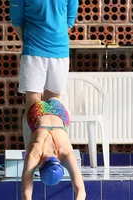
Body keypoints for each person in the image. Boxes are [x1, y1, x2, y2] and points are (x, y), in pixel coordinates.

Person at [9, 0, 79, 149]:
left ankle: (51, 151)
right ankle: (32, 151)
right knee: (33, 105)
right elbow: (16, 22)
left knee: (54, 105)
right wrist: (31, 42)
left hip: (60, 54)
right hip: (33, 53)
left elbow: (70, 20)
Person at [21, 98, 85, 200]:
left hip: (60, 114)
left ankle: (56, 100)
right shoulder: (34, 154)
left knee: (53, 95)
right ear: (41, 166)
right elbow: (26, 192)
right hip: (37, 113)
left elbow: (81, 190)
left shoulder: (66, 153)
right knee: (33, 96)